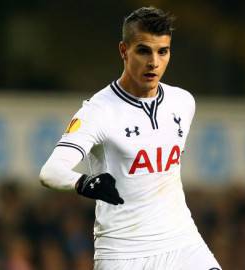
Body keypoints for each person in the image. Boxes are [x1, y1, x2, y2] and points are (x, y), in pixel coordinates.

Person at [40, 6, 222, 270]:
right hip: (124, 252)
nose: (154, 63)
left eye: (163, 51)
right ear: (124, 51)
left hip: (182, 241)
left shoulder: (183, 102)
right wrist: (84, 182)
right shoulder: (98, 111)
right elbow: (50, 171)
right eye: (143, 51)